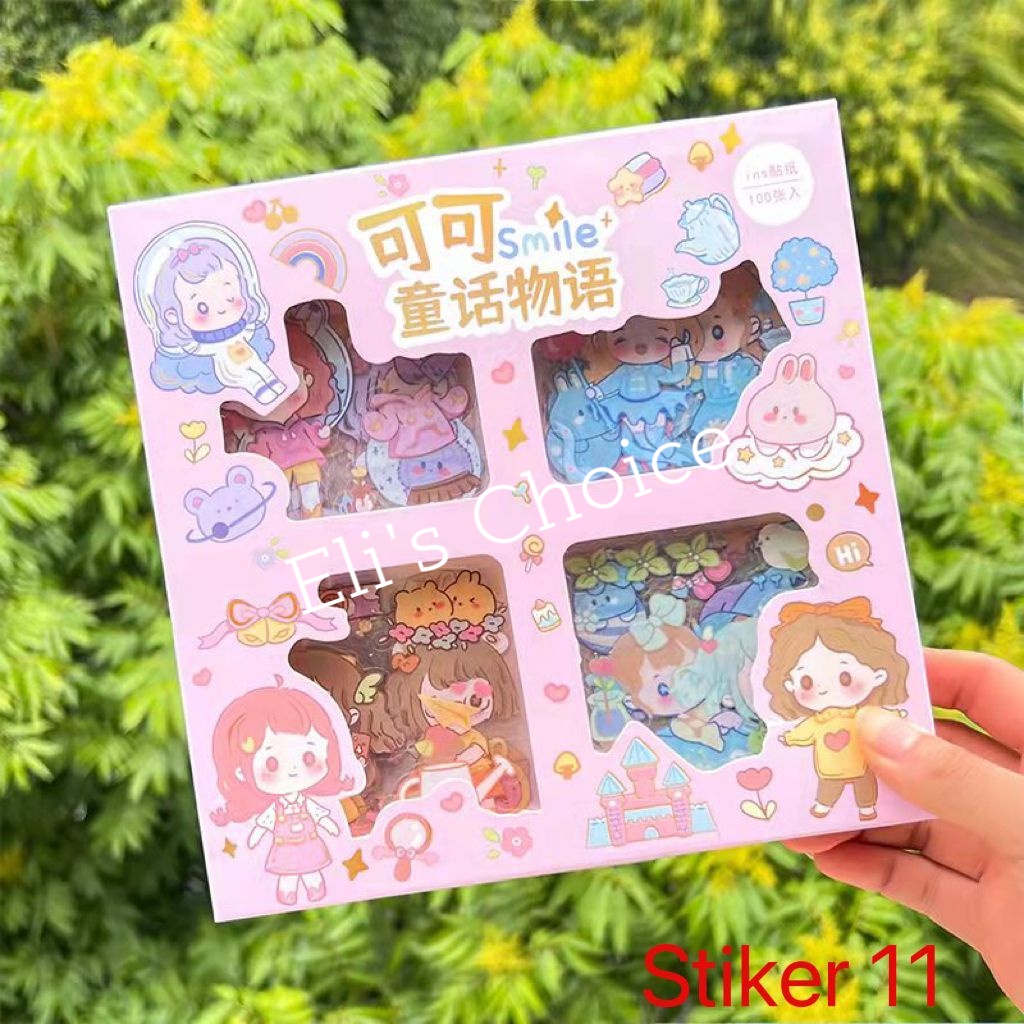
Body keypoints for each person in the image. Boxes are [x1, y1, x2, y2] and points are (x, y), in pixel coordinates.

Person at [785, 648, 1024, 1012]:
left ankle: (858, 804)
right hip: (832, 776)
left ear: (877, 678)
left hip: (864, 776)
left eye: (845, 676)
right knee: (833, 802)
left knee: (860, 799)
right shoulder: (819, 721)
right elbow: (800, 734)